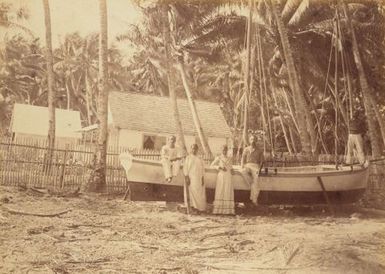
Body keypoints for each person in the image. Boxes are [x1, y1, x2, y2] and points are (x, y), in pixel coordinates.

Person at [210, 145, 235, 215]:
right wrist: (220, 168)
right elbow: (212, 165)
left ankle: (228, 211)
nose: (224, 151)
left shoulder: (229, 158)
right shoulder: (219, 158)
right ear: (221, 150)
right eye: (223, 150)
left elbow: (231, 167)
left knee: (227, 190)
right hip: (221, 175)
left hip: (228, 176)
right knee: (220, 190)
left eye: (225, 150)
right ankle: (218, 210)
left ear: (227, 150)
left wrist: (232, 170)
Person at [241, 134, 264, 204]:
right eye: (251, 139)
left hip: (255, 166)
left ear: (256, 141)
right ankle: (251, 184)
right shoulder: (246, 149)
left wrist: (259, 169)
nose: (253, 141)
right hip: (247, 165)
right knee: (243, 172)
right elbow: (243, 159)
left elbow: (262, 161)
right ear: (249, 140)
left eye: (254, 139)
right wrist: (242, 166)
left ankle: (254, 199)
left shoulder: (260, 150)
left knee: (256, 180)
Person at [183, 144, 207, 213]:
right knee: (191, 192)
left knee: (199, 193)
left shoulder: (200, 158)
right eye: (192, 149)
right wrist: (187, 177)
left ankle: (199, 208)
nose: (194, 150)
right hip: (191, 178)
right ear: (191, 149)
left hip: (198, 178)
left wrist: (202, 178)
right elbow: (185, 168)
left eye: (195, 149)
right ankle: (192, 207)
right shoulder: (188, 158)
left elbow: (202, 169)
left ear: (197, 150)